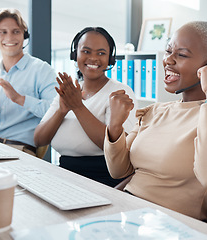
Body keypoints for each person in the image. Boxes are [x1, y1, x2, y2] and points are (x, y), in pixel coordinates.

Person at [104, 21, 207, 221]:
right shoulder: (155, 111)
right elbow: (119, 171)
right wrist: (115, 126)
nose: (168, 60)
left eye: (182, 54)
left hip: (168, 226)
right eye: (168, 51)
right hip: (125, 213)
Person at [34, 27, 137, 187]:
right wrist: (62, 110)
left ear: (110, 59)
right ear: (75, 55)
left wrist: (77, 107)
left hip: (102, 179)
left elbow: (115, 147)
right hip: (64, 175)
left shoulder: (119, 93)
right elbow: (39, 139)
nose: (93, 58)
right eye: (86, 51)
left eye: (101, 53)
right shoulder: (69, 92)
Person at [0, 8, 57, 156]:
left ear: (24, 35)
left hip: (19, 148)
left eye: (16, 31)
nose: (9, 37)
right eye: (2, 32)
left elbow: (56, 111)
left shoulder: (42, 70)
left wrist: (20, 99)